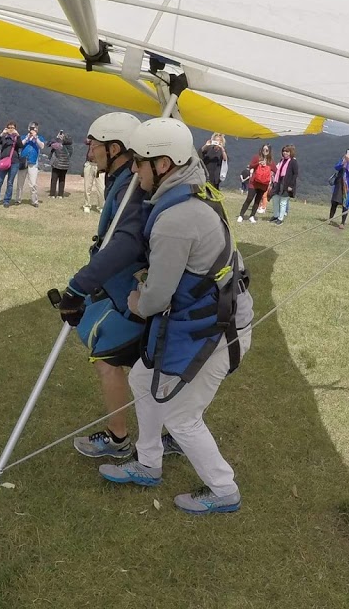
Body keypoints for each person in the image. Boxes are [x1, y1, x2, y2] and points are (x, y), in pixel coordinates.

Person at [98, 117, 254, 515]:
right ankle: (148, 463)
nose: (134, 171)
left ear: (163, 165)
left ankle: (224, 489)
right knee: (140, 377)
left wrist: (134, 297)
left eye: (140, 163)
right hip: (203, 321)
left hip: (216, 331)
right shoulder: (192, 190)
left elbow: (152, 301)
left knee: (182, 416)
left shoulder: (175, 218)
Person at [56, 112, 162, 460]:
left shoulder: (131, 188)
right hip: (122, 291)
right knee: (147, 367)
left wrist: (78, 285)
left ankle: (119, 439)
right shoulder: (123, 180)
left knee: (107, 360)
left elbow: (125, 244)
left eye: (95, 145)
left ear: (115, 148)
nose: (90, 152)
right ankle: (169, 432)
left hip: (134, 294)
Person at [237, 143, 275, 223]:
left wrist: (271, 171)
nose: (265, 151)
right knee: (249, 198)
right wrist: (258, 163)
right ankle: (241, 215)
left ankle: (252, 216)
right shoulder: (257, 157)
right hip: (254, 182)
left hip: (263, 184)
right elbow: (251, 166)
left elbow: (276, 170)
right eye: (263, 149)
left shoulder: (270, 161)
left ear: (269, 151)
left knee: (257, 200)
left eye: (267, 150)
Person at [0, 121, 23, 207]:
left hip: (14, 162)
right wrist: (2, 134)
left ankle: (6, 201)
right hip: (4, 161)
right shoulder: (4, 137)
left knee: (10, 182)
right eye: (9, 128)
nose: (11, 129)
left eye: (12, 128)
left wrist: (18, 135)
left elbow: (21, 145)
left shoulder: (16, 138)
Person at [329, 147, 349, 228]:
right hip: (339, 184)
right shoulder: (343, 160)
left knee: (345, 204)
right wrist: (344, 161)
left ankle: (342, 222)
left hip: (348, 186)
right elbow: (336, 167)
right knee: (334, 202)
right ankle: (330, 219)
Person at [269, 144, 298, 224]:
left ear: (290, 152)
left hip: (286, 184)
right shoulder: (282, 161)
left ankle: (280, 218)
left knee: (283, 202)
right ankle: (276, 215)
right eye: (284, 151)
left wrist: (291, 186)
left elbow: (295, 174)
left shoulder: (293, 161)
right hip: (278, 183)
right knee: (275, 199)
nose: (285, 153)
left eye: (287, 151)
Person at [20, 122, 45, 207]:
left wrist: (35, 138)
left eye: (34, 128)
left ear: (37, 130)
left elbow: (42, 146)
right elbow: (20, 144)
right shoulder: (24, 137)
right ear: (28, 129)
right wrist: (27, 138)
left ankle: (34, 201)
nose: (33, 130)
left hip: (33, 163)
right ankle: (18, 199)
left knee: (33, 183)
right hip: (23, 161)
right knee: (20, 182)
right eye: (31, 128)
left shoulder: (40, 138)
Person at [47, 129, 73, 199]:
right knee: (62, 179)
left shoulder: (58, 145)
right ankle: (60, 195)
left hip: (56, 165)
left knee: (54, 179)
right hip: (65, 165)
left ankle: (52, 194)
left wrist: (57, 138)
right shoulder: (71, 148)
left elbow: (49, 144)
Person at [82, 144, 104, 213]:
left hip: (100, 165)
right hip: (89, 163)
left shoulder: (104, 140)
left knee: (101, 188)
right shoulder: (91, 139)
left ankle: (101, 206)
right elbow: (86, 141)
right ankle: (87, 205)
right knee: (87, 187)